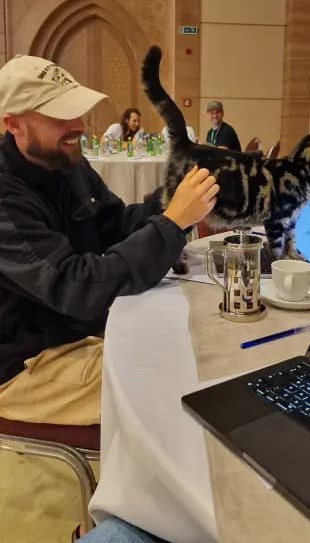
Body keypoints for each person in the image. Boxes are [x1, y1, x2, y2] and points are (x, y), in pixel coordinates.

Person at [0, 55, 219, 425]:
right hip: (24, 363)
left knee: (194, 339)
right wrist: (173, 221)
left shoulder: (66, 163)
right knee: (173, 382)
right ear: (13, 124)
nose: (78, 125)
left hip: (77, 331)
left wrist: (174, 196)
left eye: (77, 110)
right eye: (59, 115)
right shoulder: (7, 199)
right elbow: (78, 286)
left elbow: (116, 224)